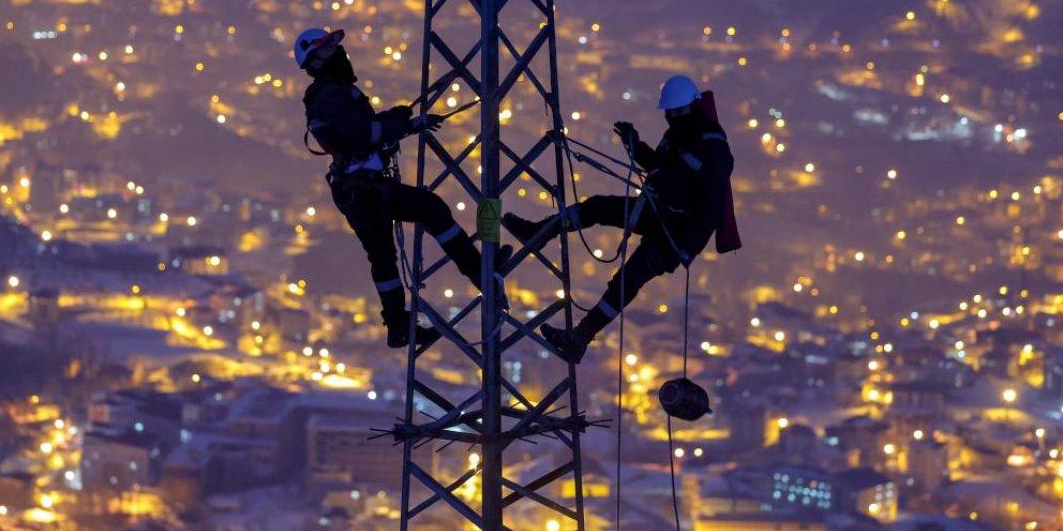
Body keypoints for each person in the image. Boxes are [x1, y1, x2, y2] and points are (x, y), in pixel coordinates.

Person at [503, 74, 738, 363]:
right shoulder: (679, 135)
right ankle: (538, 233)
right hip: (658, 210)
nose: (673, 118)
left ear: (691, 108)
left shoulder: (712, 149)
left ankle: (580, 337)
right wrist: (635, 145)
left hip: (679, 233)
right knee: (597, 207)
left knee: (628, 279)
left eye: (677, 113)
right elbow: (660, 168)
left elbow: (711, 209)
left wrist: (686, 249)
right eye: (670, 113)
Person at [297, 27, 506, 350]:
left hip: (358, 190)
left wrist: (395, 118)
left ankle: (398, 325)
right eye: (328, 51)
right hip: (364, 188)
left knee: (382, 256)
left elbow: (362, 130)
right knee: (431, 209)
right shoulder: (330, 95)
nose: (339, 54)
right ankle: (480, 273)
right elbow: (364, 134)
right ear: (314, 63)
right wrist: (406, 125)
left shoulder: (332, 93)